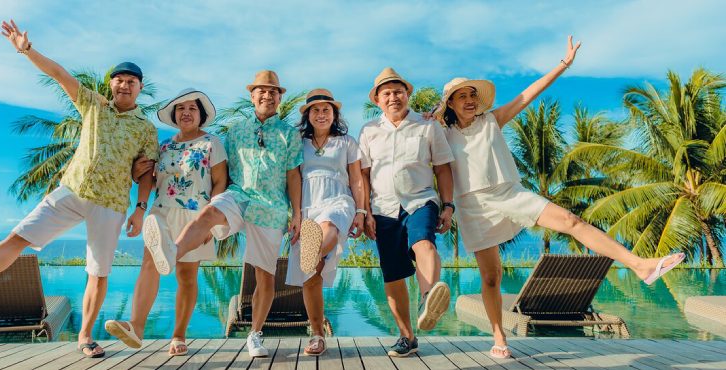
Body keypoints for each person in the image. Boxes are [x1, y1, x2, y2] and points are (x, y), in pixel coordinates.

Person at [0, 20, 159, 358]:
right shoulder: (93, 105)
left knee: (98, 272)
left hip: (112, 203)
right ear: (111, 84)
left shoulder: (146, 129)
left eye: (131, 81)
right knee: (18, 237)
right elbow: (60, 74)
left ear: (139, 88)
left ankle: (85, 336)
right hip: (71, 191)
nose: (124, 85)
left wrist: (140, 209)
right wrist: (26, 50)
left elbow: (147, 173)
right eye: (119, 80)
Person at [432, 35, 686, 360]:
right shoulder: (441, 133)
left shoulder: (491, 121)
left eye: (472, 94)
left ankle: (639, 265)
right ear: (450, 103)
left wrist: (563, 65)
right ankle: (499, 337)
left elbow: (528, 94)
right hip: (474, 207)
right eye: (460, 96)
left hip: (510, 192)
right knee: (491, 277)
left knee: (571, 220)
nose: (469, 99)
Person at [145, 70, 303, 358]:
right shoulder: (235, 132)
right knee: (206, 215)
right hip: (239, 195)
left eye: (273, 91)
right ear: (252, 95)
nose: (267, 95)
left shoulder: (290, 134)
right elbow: (220, 171)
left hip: (272, 208)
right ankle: (171, 253)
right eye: (262, 91)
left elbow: (293, 175)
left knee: (264, 277)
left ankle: (255, 334)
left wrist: (297, 213)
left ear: (280, 97)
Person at [104, 89, 227, 356]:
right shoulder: (164, 146)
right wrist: (138, 188)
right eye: (181, 108)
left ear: (201, 115)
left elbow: (220, 183)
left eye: (192, 108)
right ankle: (136, 327)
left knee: (186, 276)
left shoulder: (212, 143)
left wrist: (211, 221)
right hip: (161, 212)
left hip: (195, 215)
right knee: (148, 264)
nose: (186, 112)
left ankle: (179, 335)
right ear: (174, 115)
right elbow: (147, 177)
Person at [358, 67, 456, 357]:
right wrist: (365, 212)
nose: (393, 97)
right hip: (383, 208)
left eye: (398, 91)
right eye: (386, 93)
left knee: (423, 243)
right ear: (377, 100)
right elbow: (362, 176)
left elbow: (442, 168)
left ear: (407, 94)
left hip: (420, 200)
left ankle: (428, 299)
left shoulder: (427, 126)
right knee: (393, 276)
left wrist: (448, 205)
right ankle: (407, 337)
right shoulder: (369, 131)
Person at [285, 89, 366, 356]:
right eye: (316, 110)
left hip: (338, 197)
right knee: (312, 278)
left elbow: (356, 179)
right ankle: (318, 335)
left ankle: (313, 253)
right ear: (308, 115)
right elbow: (293, 179)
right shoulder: (298, 142)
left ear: (334, 114)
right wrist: (296, 214)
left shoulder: (346, 142)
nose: (321, 114)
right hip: (308, 204)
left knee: (330, 225)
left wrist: (362, 211)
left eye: (326, 110)